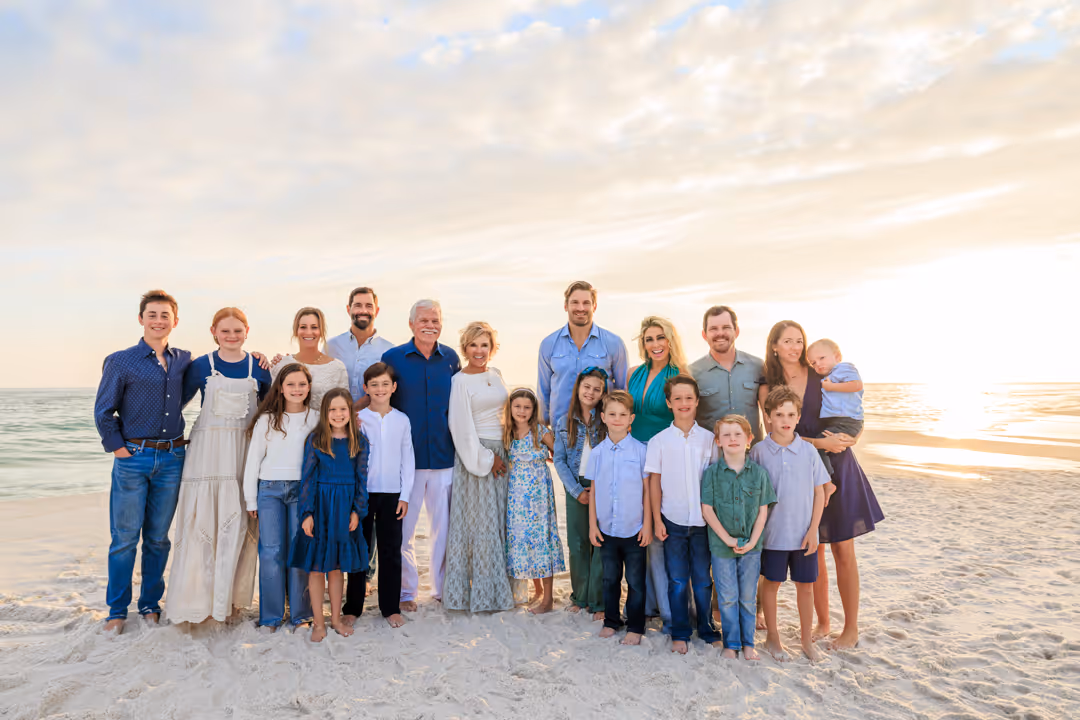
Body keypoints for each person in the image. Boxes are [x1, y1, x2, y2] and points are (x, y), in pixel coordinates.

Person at [760, 320, 884, 650]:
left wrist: (854, 436)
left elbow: (854, 404)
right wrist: (819, 444)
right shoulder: (769, 386)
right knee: (814, 549)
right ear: (775, 346)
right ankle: (824, 621)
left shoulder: (822, 374)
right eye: (787, 341)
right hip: (802, 470)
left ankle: (851, 628)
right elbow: (779, 436)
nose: (795, 347)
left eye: (799, 340)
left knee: (844, 548)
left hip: (838, 464)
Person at [166, 307, 272, 625]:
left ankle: (232, 603)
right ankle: (197, 601)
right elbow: (175, 406)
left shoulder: (260, 367)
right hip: (207, 456)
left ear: (247, 330)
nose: (231, 336)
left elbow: (269, 409)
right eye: (225, 331)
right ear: (214, 331)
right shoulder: (201, 366)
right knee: (202, 524)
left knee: (239, 524)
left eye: (237, 331)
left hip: (244, 454)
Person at [94, 290, 191, 633]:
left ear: (174, 321)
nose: (158, 321)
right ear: (141, 319)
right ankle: (117, 611)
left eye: (165, 315)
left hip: (172, 458)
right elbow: (104, 411)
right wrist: (120, 449)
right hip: (133, 459)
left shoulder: (183, 360)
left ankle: (150, 604)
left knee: (158, 538)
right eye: (152, 315)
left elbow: (197, 385)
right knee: (124, 539)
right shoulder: (121, 360)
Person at [382, 299, 461, 611]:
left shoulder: (452, 358)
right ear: (412, 324)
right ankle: (406, 592)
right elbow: (378, 394)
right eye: (424, 320)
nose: (430, 325)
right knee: (403, 532)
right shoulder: (393, 358)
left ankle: (441, 590)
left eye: (435, 320)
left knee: (444, 530)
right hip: (407, 462)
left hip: (445, 458)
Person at [751, 386, 829, 662]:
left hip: (803, 535)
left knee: (805, 586)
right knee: (771, 584)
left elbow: (820, 491)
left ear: (798, 417)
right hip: (772, 535)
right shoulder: (759, 452)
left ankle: (807, 640)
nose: (785, 419)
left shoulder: (808, 451)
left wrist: (814, 530)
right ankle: (773, 637)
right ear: (768, 417)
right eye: (779, 414)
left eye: (791, 414)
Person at [647, 374, 722, 653]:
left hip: (703, 524)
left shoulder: (709, 440)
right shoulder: (659, 441)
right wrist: (656, 519)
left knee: (703, 580)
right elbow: (654, 483)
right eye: (677, 398)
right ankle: (679, 630)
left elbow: (716, 479)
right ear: (669, 403)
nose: (683, 403)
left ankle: (705, 627)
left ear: (697, 402)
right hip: (672, 521)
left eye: (689, 398)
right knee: (677, 580)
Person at [444, 321, 516, 613]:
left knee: (499, 523)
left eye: (484, 344)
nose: (479, 350)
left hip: (504, 451)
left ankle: (501, 591)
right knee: (480, 527)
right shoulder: (459, 381)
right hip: (478, 457)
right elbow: (460, 427)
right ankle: (482, 595)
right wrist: (487, 459)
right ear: (465, 348)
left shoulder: (496, 375)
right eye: (473, 345)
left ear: (492, 348)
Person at [290, 388, 370, 642]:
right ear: (325, 412)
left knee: (336, 570)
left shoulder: (359, 441)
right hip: (320, 507)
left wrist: (358, 511)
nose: (338, 414)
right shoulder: (315, 440)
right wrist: (307, 513)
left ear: (351, 411)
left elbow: (362, 480)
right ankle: (318, 623)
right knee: (316, 569)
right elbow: (307, 479)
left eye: (343, 409)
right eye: (332, 409)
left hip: (345, 509)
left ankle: (335, 619)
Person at [243, 363, 318, 629]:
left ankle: (301, 615)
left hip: (303, 492)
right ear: (281, 388)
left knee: (299, 552)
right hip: (270, 490)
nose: (296, 389)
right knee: (271, 552)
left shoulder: (316, 418)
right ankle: (271, 616)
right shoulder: (267, 419)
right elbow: (253, 461)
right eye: (290, 385)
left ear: (309, 387)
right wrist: (251, 499)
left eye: (302, 384)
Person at [627, 315, 687, 634]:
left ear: (670, 340)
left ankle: (670, 610)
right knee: (642, 529)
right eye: (649, 339)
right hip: (635, 458)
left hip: (664, 458)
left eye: (660, 338)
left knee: (662, 532)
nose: (655, 345)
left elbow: (685, 417)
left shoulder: (678, 375)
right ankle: (648, 603)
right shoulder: (634, 374)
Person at [700, 414, 776, 661]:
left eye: (738, 434)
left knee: (747, 596)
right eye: (726, 435)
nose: (732, 438)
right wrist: (728, 539)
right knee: (728, 596)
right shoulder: (711, 473)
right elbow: (707, 510)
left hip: (752, 547)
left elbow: (763, 512)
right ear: (718, 441)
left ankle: (748, 643)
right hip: (721, 547)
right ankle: (731, 644)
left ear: (749, 439)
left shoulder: (760, 474)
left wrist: (753, 541)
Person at [346, 362, 414, 628]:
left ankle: (390, 607)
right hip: (363, 495)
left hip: (392, 495)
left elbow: (408, 460)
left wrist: (405, 496)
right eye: (374, 385)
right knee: (359, 551)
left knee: (390, 551)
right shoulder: (360, 419)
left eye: (385, 384)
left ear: (393, 387)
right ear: (366, 388)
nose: (380, 389)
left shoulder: (402, 420)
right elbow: (351, 457)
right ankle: (352, 607)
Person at [586, 391, 651, 645]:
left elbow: (647, 491)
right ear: (603, 417)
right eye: (611, 414)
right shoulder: (597, 453)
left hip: (634, 528)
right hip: (606, 529)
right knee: (610, 578)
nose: (617, 419)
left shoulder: (640, 451)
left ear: (631, 418)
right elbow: (593, 492)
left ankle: (635, 626)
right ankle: (611, 621)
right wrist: (592, 525)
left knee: (635, 581)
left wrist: (647, 524)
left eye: (622, 415)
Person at [552, 368, 608, 619]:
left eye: (597, 389)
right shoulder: (564, 421)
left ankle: (598, 601)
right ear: (578, 388)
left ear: (603, 393)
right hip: (575, 486)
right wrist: (576, 491)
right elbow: (560, 461)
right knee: (577, 544)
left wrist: (597, 489)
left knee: (600, 544)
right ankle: (579, 596)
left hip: (601, 485)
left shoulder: (605, 419)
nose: (591, 392)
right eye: (587, 387)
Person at [503, 387, 565, 615]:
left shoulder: (539, 430)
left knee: (542, 540)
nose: (521, 411)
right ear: (510, 408)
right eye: (517, 406)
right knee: (523, 540)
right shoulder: (507, 432)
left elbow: (559, 452)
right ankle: (537, 590)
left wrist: (548, 458)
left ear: (533, 410)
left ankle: (548, 599)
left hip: (539, 494)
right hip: (517, 497)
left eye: (526, 407)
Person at [537, 280, 629, 427]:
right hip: (561, 434)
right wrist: (544, 434)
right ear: (566, 306)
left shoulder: (614, 343)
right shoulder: (548, 344)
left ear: (595, 306)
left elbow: (622, 391)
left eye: (586, 303)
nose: (580, 308)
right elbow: (543, 393)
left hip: (601, 432)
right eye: (575, 302)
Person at [689, 306, 766, 443]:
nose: (720, 333)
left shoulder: (758, 366)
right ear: (704, 334)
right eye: (713, 329)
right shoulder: (692, 372)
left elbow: (768, 412)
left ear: (736, 332)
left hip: (752, 456)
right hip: (711, 456)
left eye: (726, 327)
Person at [270, 307, 349, 413]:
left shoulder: (337, 368)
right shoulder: (281, 364)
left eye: (314, 327)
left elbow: (344, 406)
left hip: (324, 428)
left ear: (321, 331)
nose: (308, 332)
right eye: (303, 327)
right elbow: (272, 404)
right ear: (296, 331)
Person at [327, 286, 395, 407]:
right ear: (349, 310)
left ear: (377, 311)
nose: (363, 311)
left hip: (373, 423)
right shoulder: (331, 346)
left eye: (369, 306)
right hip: (336, 420)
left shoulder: (390, 351)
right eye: (358, 305)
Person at [805, 338, 864, 475]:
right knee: (822, 446)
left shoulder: (843, 368)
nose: (818, 364)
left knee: (819, 446)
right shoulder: (828, 375)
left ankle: (826, 477)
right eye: (813, 363)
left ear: (837, 357)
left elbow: (857, 385)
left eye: (822, 358)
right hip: (839, 421)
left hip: (846, 421)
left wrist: (831, 387)